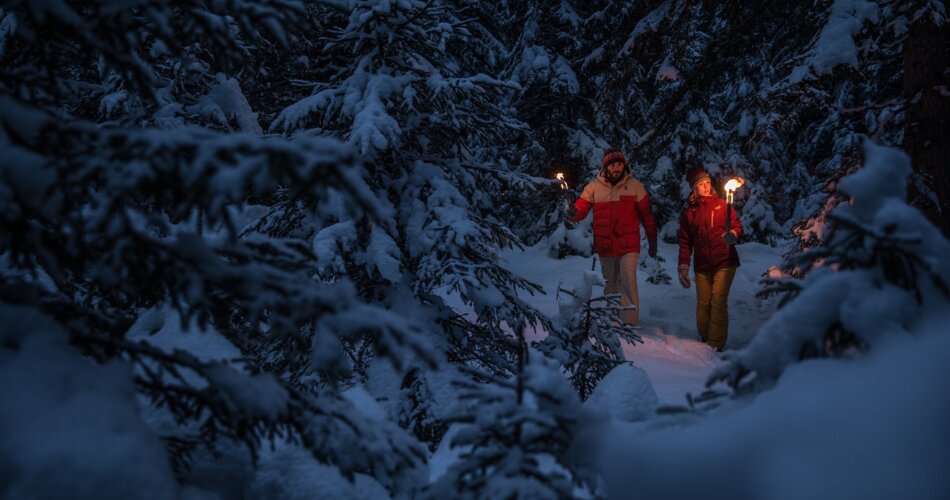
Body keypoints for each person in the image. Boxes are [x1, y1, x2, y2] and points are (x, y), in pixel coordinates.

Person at [567, 148, 658, 326]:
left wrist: (652, 239)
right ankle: (612, 321)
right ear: (606, 167)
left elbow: (647, 215)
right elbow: (580, 211)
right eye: (613, 165)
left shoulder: (635, 186)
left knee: (627, 279)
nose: (617, 168)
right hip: (605, 244)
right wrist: (572, 212)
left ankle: (629, 323)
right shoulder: (593, 187)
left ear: (624, 165)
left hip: (628, 243)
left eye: (619, 164)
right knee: (610, 284)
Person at [676, 165, 743, 352]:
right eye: (700, 184)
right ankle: (705, 338)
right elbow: (685, 242)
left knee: (718, 302)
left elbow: (737, 226)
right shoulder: (689, 214)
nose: (705, 187)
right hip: (702, 264)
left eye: (707, 183)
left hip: (725, 261)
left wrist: (734, 234)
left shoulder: (722, 205)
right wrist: (683, 266)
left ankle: (716, 345)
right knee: (703, 304)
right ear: (693, 189)